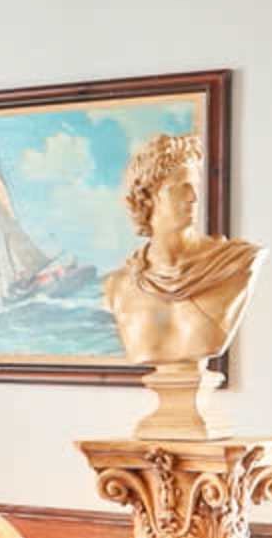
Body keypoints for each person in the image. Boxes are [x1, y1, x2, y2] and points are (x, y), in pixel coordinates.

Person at [103, 131, 257, 434]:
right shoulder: (119, 286)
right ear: (149, 196)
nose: (194, 197)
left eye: (196, 186)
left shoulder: (237, 264)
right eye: (181, 187)